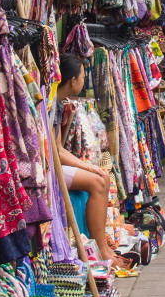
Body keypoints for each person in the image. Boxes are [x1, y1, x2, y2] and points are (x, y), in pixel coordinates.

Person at [55, 54, 129, 268]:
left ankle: (103, 247)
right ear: (72, 80)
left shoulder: (58, 105)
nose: (84, 80)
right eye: (82, 76)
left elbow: (58, 148)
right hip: (49, 169)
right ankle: (100, 247)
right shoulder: (50, 106)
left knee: (103, 178)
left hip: (57, 163)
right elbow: (55, 152)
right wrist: (87, 166)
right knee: (96, 182)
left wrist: (89, 167)